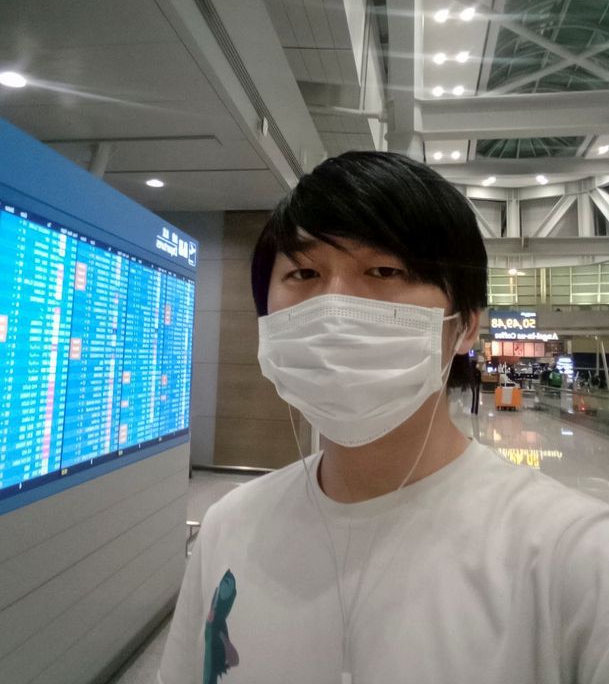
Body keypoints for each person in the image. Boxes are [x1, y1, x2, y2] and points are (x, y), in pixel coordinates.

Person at [158, 152, 609, 684]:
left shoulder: (575, 559)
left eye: (384, 270)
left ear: (464, 326)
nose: (335, 308)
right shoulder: (228, 527)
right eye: (303, 272)